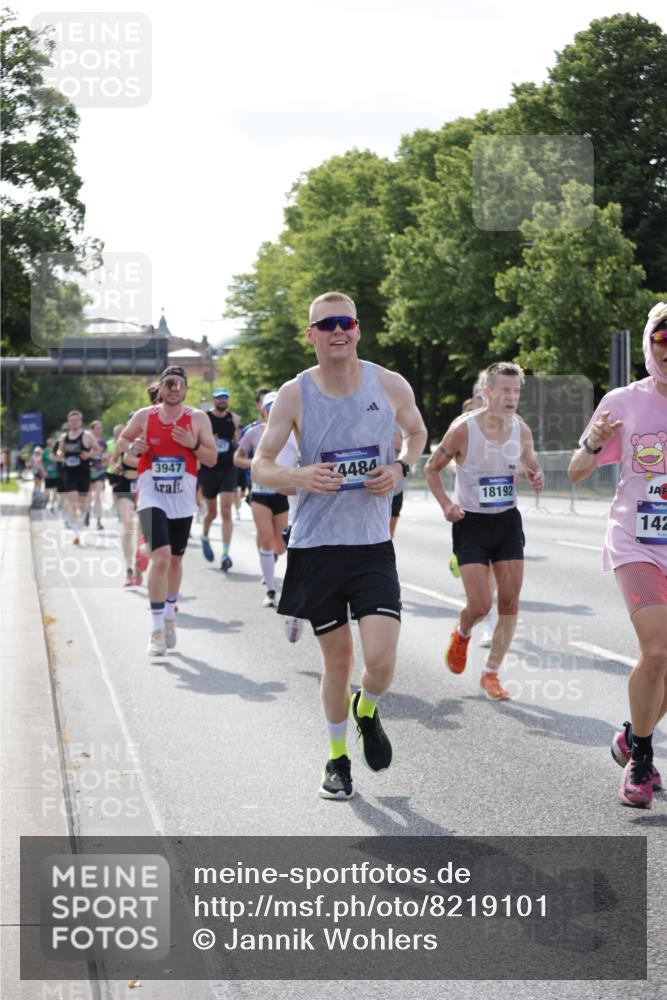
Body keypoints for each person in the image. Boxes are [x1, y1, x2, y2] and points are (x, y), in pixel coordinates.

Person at [252, 291, 427, 800]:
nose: (337, 331)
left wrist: (400, 467)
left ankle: (367, 709)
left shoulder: (388, 383)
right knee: (338, 662)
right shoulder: (294, 394)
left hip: (371, 544)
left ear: (357, 329)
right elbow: (263, 464)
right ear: (311, 335)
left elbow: (415, 433)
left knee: (382, 660)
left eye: (345, 322)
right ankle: (336, 760)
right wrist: (298, 474)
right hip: (317, 546)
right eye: (326, 324)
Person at [568, 302, 667, 809]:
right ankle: (642, 761)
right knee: (656, 651)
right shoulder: (624, 401)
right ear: (650, 345)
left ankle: (632, 734)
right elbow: (576, 472)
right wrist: (592, 441)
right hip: (636, 541)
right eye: (663, 340)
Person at [425, 361, 544, 701]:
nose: (511, 397)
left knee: (509, 602)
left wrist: (536, 475)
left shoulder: (521, 429)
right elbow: (431, 469)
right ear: (487, 392)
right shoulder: (463, 429)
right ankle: (462, 632)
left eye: (516, 390)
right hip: (471, 523)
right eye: (504, 390)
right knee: (479, 605)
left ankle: (491, 673)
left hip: (507, 522)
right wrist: (447, 505)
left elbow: (530, 462)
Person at [118, 366, 217, 654]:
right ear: (160, 389)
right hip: (151, 495)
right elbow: (124, 442)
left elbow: (211, 459)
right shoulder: (144, 416)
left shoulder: (197, 419)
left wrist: (193, 444)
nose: (174, 388)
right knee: (159, 557)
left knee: (174, 561)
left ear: (185, 389)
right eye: (169, 384)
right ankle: (157, 628)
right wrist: (133, 447)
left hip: (182, 498)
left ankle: (170, 612)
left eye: (179, 384)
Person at [234, 390, 299, 611]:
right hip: (260, 492)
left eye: (275, 406)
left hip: (283, 493)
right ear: (263, 409)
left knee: (280, 547)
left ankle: (270, 564)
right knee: (266, 539)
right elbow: (237, 458)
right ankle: (271, 590)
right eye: (268, 407)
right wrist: (255, 462)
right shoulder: (254, 432)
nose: (271, 411)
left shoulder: (295, 431)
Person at [198, 388, 241, 571]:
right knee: (212, 513)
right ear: (213, 400)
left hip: (227, 468)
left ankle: (225, 554)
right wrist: (209, 443)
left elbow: (236, 442)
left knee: (226, 511)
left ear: (228, 400)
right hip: (209, 469)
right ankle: (205, 535)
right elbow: (197, 442)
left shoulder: (235, 418)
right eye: (218, 398)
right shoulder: (205, 418)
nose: (222, 400)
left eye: (225, 397)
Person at [53, 411, 99, 545]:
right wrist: (62, 454)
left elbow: (97, 449)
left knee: (82, 504)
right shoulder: (64, 437)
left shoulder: (87, 435)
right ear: (68, 422)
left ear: (80, 421)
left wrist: (88, 454)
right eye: (71, 420)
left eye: (76, 420)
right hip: (69, 472)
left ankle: (84, 516)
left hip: (83, 472)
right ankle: (76, 533)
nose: (74, 422)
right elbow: (59, 451)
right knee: (72, 501)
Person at [86, 420, 108, 530]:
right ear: (92, 429)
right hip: (88, 471)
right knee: (89, 496)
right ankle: (87, 512)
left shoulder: (103, 443)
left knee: (98, 496)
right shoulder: (87, 442)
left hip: (99, 471)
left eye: (101, 428)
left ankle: (99, 521)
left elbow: (105, 456)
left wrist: (106, 460)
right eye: (98, 428)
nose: (100, 430)